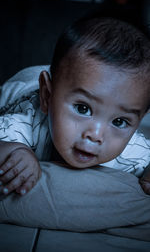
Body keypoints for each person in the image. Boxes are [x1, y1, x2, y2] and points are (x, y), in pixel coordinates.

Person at [0, 15, 150, 197]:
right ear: (47, 96)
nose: (95, 135)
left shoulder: (130, 149)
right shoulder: (24, 127)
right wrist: (14, 151)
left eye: (119, 121)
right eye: (83, 109)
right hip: (24, 86)